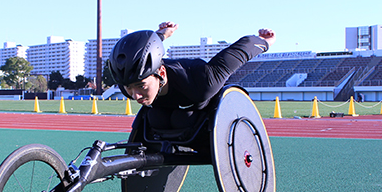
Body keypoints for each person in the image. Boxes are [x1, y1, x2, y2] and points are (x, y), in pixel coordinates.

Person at [109, 22, 275, 137]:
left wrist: (263, 41)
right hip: (166, 107)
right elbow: (144, 48)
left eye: (141, 86)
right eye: (130, 88)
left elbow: (236, 54)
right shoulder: (128, 84)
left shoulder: (202, 82)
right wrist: (162, 34)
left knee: (182, 120)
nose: (135, 96)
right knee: (156, 119)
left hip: (197, 103)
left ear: (161, 73)